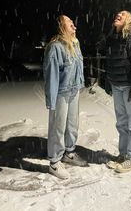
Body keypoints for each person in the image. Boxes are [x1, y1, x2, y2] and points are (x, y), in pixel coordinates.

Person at [43, 15, 88, 179]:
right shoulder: (55, 47)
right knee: (58, 126)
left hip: (74, 90)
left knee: (72, 124)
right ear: (61, 27)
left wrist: (80, 83)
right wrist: (51, 99)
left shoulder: (75, 44)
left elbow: (78, 67)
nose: (74, 27)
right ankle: (54, 163)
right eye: (70, 24)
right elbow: (52, 76)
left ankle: (69, 154)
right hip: (61, 92)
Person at [102, 10, 131, 173]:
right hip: (117, 85)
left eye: (123, 15)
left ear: (129, 21)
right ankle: (123, 154)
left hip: (129, 86)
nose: (118, 15)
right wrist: (108, 80)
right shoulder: (112, 38)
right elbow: (110, 62)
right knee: (121, 123)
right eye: (117, 14)